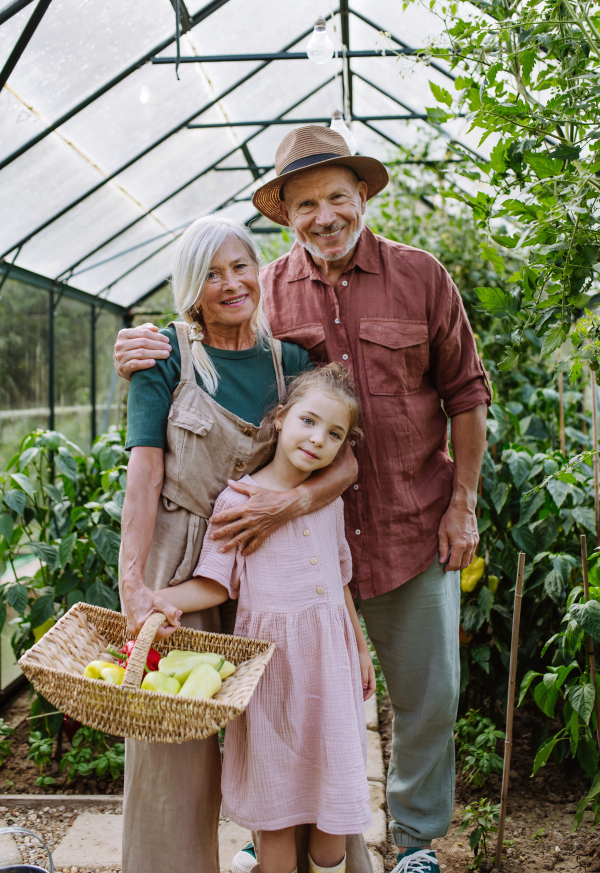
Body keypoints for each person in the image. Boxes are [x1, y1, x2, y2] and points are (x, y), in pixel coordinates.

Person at [114, 125, 491, 873]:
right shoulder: (268, 296)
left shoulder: (422, 277)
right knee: (286, 699)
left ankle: (414, 843)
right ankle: (276, 828)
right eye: (306, 204)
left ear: (363, 197)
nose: (325, 215)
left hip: (409, 527)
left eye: (338, 197)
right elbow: (208, 344)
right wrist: (143, 344)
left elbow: (467, 394)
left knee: (429, 697)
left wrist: (464, 505)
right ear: (285, 216)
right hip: (282, 556)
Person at [118, 214, 373, 873]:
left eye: (240, 266)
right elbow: (144, 472)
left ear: (259, 271)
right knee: (175, 750)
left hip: (274, 558)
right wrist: (137, 590)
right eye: (211, 273)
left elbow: (345, 462)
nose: (230, 284)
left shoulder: (289, 363)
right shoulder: (166, 355)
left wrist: (288, 504)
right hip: (186, 561)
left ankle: (293, 851)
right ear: (190, 288)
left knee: (291, 731)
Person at [156, 363, 375, 873]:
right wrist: (159, 597)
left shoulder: (327, 499)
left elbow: (339, 580)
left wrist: (360, 648)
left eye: (334, 433)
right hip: (273, 674)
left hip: (330, 666)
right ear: (280, 418)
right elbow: (214, 581)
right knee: (276, 818)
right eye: (308, 421)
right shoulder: (238, 500)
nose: (318, 439)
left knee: (331, 845)